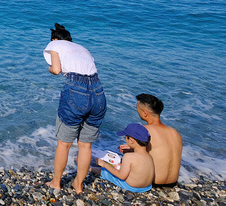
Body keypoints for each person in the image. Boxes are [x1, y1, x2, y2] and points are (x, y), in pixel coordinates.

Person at [44, 23, 106, 194]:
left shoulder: (54, 44)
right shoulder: (82, 48)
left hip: (76, 92)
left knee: (64, 144)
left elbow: (56, 70)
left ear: (55, 39)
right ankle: (78, 184)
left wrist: (50, 68)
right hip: (98, 92)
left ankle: (56, 183)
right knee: (86, 146)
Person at [119, 93, 183, 186]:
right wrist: (132, 149)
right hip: (173, 182)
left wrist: (130, 152)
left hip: (155, 182)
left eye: (137, 109)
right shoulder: (175, 132)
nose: (137, 111)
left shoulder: (145, 131)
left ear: (145, 113)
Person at [93, 123, 155, 193]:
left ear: (131, 140)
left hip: (131, 187)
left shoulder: (129, 156)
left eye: (126, 137)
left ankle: (89, 168)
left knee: (105, 171)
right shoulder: (149, 156)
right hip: (146, 187)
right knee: (118, 168)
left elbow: (121, 176)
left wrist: (104, 164)